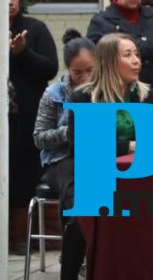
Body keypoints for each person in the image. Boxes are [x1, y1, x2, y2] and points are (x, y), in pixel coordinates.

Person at [64, 33, 153, 278]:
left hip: (143, 179)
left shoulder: (150, 97)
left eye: (137, 54)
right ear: (109, 62)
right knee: (82, 218)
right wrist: (131, 146)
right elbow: (81, 148)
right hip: (97, 177)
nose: (136, 61)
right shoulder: (84, 98)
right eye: (127, 55)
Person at [32, 31, 95, 278]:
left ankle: (91, 251)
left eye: (90, 70)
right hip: (59, 160)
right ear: (68, 68)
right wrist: (69, 132)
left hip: (96, 157)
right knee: (77, 188)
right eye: (77, 72)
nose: (84, 77)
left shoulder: (102, 91)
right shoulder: (54, 94)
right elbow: (39, 137)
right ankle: (75, 253)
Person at [8, 0, 57, 233]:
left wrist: (22, 53)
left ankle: (19, 236)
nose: (10, 2)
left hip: (25, 119)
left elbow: (50, 69)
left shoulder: (34, 29)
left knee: (24, 176)